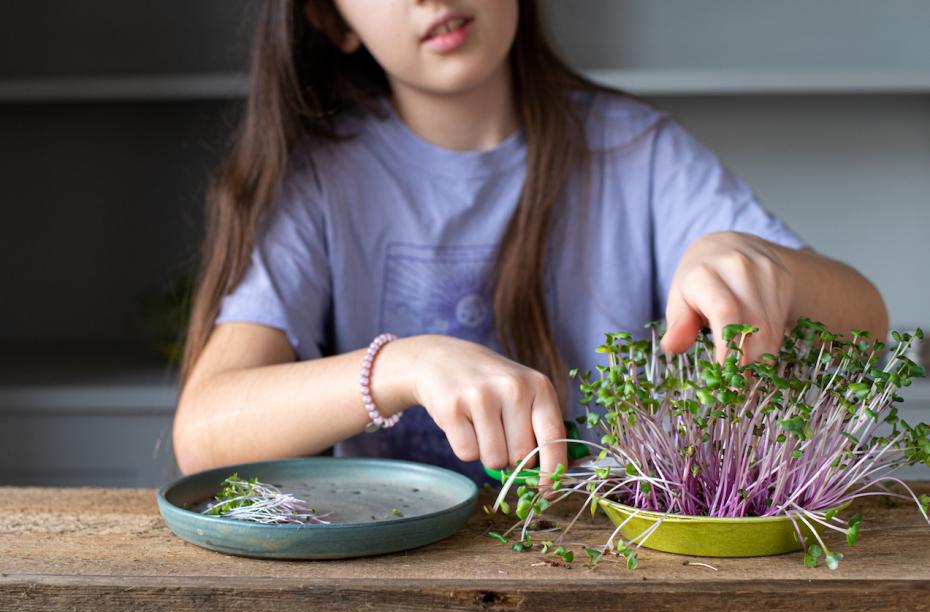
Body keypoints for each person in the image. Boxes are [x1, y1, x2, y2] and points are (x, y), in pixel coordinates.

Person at [172, 0, 888, 486]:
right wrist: (403, 365)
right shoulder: (321, 184)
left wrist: (766, 268)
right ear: (335, 21)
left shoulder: (641, 154)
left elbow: (868, 325)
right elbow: (204, 430)